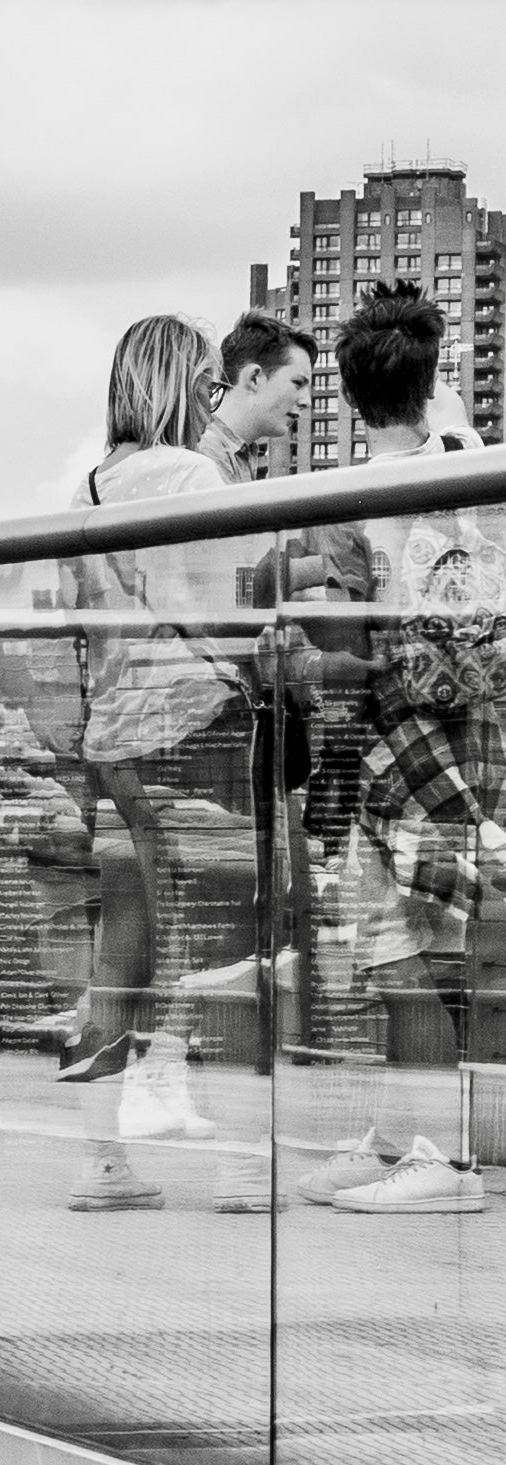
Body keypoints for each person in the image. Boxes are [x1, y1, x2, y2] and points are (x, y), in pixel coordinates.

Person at [51, 315, 269, 1215]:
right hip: (194, 724)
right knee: (228, 941)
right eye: (209, 383)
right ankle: (240, 1161)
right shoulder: (192, 476)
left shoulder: (87, 487)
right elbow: (235, 606)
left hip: (114, 736)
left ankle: (103, 1161)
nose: (214, 399)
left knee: (124, 945)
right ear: (180, 383)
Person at [290, 284, 500, 1215]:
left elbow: (344, 648)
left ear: (347, 395)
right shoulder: (470, 467)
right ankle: (395, 1138)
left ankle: (441, 1156)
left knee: (391, 948)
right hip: (470, 739)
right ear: (431, 375)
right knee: (427, 941)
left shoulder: (345, 503)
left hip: (386, 747)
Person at [204, 311, 318, 483]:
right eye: (298, 383)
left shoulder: (237, 454)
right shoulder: (207, 457)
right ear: (254, 378)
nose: (306, 402)